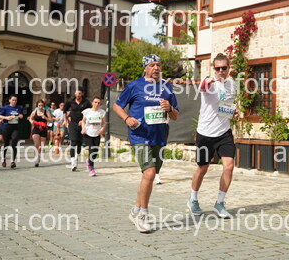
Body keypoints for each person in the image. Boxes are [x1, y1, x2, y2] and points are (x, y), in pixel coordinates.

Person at [113, 54, 179, 233]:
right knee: (149, 173)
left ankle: (135, 209)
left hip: (159, 136)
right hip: (139, 135)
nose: (156, 68)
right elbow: (117, 106)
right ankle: (143, 214)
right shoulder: (134, 86)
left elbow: (175, 115)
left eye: (158, 65)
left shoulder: (166, 87)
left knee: (150, 175)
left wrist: (169, 108)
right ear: (145, 68)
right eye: (152, 65)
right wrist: (127, 118)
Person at [187, 53, 237, 218]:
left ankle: (219, 203)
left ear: (228, 68)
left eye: (224, 68)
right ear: (213, 68)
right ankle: (193, 199)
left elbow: (226, 106)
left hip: (224, 132)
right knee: (203, 168)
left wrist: (234, 112)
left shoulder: (232, 85)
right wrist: (208, 81)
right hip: (205, 133)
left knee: (229, 166)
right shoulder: (208, 83)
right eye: (218, 68)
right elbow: (203, 86)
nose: (221, 71)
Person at [63, 88, 90, 171]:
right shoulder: (70, 101)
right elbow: (64, 110)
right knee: (73, 141)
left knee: (79, 144)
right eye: (77, 93)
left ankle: (76, 157)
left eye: (79, 93)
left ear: (82, 94)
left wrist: (83, 121)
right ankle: (73, 163)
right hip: (72, 123)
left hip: (82, 124)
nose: (78, 95)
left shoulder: (86, 102)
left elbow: (89, 112)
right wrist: (65, 120)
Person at [80, 97, 106, 177]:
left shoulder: (101, 112)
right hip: (88, 133)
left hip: (97, 133)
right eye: (95, 102)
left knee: (95, 151)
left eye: (98, 103)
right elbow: (83, 121)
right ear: (92, 103)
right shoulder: (87, 111)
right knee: (91, 150)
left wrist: (102, 129)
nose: (97, 104)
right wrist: (83, 128)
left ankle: (89, 160)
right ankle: (91, 168)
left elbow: (104, 123)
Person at [0, 95, 24, 169]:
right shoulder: (5, 108)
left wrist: (21, 116)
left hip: (15, 127)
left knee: (14, 142)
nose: (14, 101)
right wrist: (6, 117)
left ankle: (13, 161)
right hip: (7, 126)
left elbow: (21, 114)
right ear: (9, 100)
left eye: (15, 100)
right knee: (6, 143)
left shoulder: (19, 107)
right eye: (13, 100)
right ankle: (3, 158)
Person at [29, 100, 52, 167]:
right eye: (39, 105)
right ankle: (36, 159)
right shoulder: (35, 112)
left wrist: (45, 117)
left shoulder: (46, 112)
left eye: (42, 105)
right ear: (37, 106)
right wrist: (31, 121)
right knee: (37, 144)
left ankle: (38, 156)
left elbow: (50, 120)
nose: (40, 107)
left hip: (43, 129)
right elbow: (30, 118)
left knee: (41, 146)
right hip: (36, 128)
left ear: (44, 106)